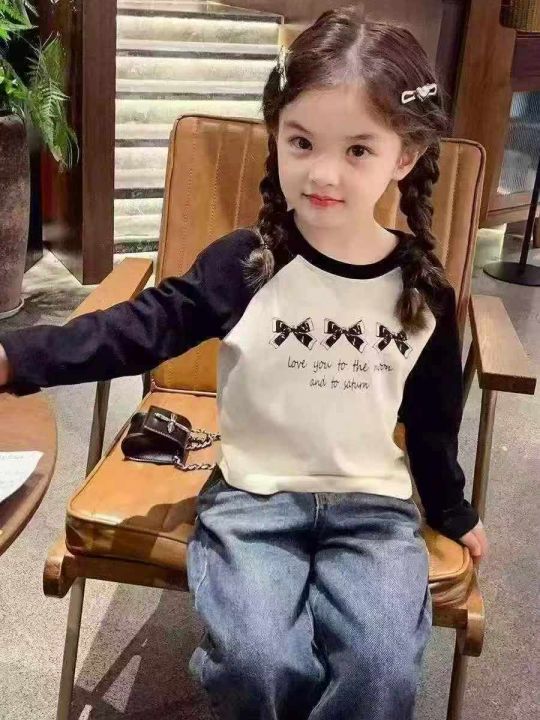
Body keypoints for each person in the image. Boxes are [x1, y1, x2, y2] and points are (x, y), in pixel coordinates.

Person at [0, 4, 488, 718]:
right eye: (302, 142)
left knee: (382, 668)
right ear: (277, 135)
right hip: (252, 498)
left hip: (373, 508)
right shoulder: (249, 265)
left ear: (405, 156)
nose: (323, 173)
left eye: (358, 150)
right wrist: (16, 355)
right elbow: (141, 327)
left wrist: (450, 507)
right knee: (258, 663)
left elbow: (435, 418)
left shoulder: (421, 289)